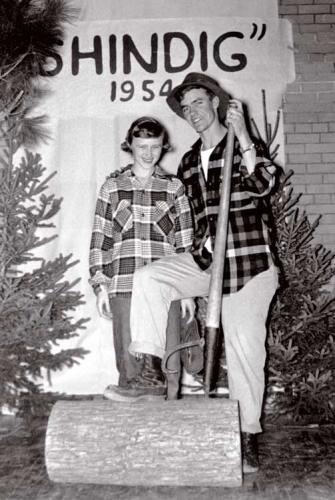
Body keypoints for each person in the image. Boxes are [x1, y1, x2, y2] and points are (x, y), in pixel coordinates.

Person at [127, 73, 279, 474]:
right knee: (150, 279)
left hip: (249, 267)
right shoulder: (190, 160)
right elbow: (196, 221)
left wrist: (243, 135)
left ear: (216, 102)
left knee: (246, 352)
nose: (192, 112)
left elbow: (265, 184)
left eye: (198, 102)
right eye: (185, 107)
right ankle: (149, 371)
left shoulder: (244, 146)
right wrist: (192, 281)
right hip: (208, 264)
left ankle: (248, 439)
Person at [89, 116, 194, 401]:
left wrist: (187, 293)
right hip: (123, 286)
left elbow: (185, 243)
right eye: (141, 147)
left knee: (168, 364)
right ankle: (132, 436)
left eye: (155, 147)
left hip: (166, 288)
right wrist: (101, 285)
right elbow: (101, 240)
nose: (148, 154)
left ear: (164, 147)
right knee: (130, 367)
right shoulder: (112, 187)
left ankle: (169, 431)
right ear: (130, 146)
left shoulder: (174, 188)